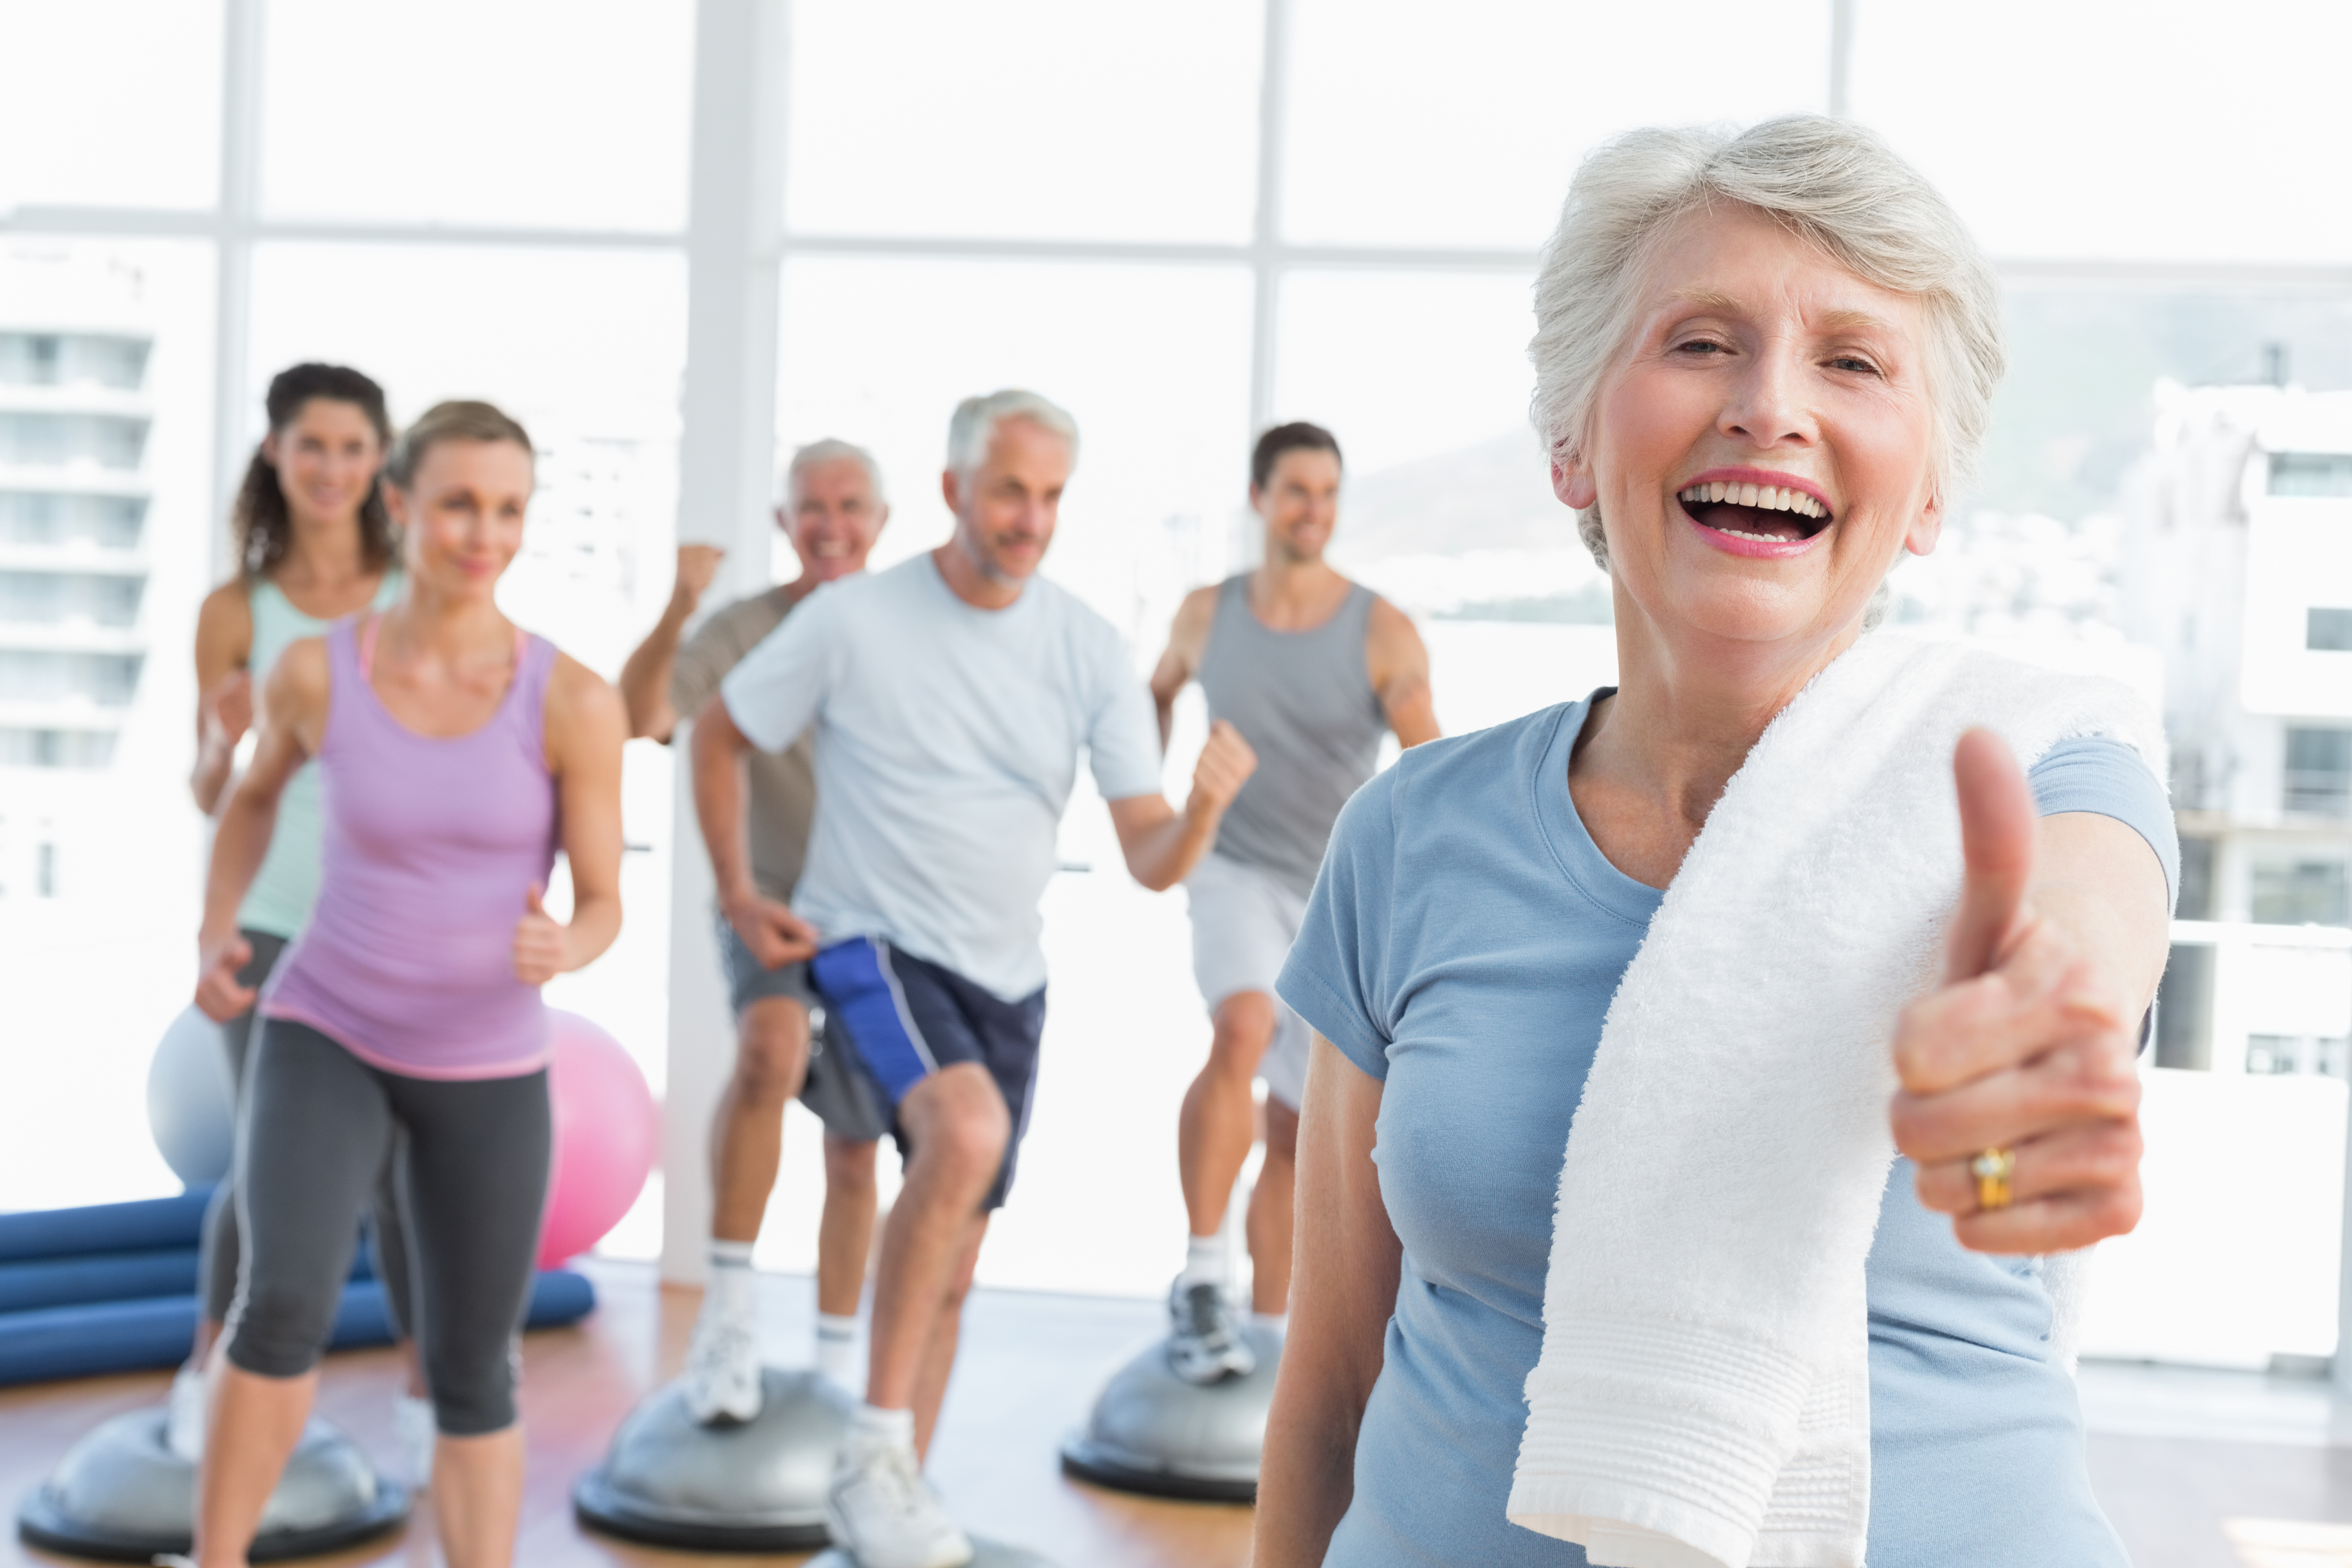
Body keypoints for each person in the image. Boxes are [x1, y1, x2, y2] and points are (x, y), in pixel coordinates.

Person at [1256, 117, 2176, 1567]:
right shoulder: (1409, 836)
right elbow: (1328, 1394)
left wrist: (2041, 1039)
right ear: (1570, 440)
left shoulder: (2042, 767)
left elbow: (2084, 926)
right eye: (1700, 341)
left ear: (1932, 487)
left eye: (1854, 362)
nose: (1771, 406)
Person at [697, 389, 1257, 1568]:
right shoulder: (855, 622)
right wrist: (744, 895)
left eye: (1050, 496)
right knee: (962, 1129)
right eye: (1010, 491)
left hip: (1009, 978)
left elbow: (1150, 859)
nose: (1030, 517)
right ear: (954, 490)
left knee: (954, 1267)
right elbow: (720, 732)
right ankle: (870, 1454)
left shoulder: (1088, 648)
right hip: (870, 946)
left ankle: (891, 1509)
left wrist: (1201, 812)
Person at [190, 401, 626, 1568]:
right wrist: (216, 933)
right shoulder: (317, 673)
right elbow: (250, 800)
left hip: (487, 1065)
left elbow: (602, 901)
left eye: (507, 510)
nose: (483, 533)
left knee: (474, 1362)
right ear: (403, 506)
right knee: (282, 1306)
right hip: (326, 1029)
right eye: (457, 505)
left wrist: (569, 949)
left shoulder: (572, 699)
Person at [1146, 421, 1437, 1383]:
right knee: (1238, 1025)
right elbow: (1150, 695)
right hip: (1231, 866)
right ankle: (1198, 1280)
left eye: (1328, 493)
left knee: (1292, 1126)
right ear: (1260, 500)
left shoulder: (1381, 627)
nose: (1314, 510)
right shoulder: (1203, 612)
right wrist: (1156, 789)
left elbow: (1430, 772)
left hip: (1329, 889)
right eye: (1296, 491)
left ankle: (1266, 1336)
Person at [178, 363, 428, 1476]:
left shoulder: (416, 591)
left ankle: (433, 1393)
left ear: (383, 465)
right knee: (263, 1159)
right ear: (275, 454)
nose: (331, 468)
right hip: (273, 921)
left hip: (398, 923)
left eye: (354, 447)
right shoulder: (235, 611)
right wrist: (219, 743)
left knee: (405, 1170)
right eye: (310, 445)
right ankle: (204, 1371)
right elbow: (208, 790)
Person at [616, 439, 893, 1421]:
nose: (831, 524)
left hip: (880, 915)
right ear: (784, 522)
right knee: (771, 1051)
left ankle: (833, 1354)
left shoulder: (911, 629)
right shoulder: (741, 631)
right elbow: (641, 715)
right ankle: (726, 1317)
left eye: (851, 506)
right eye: (811, 507)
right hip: (768, 894)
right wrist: (680, 602)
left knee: (858, 1144)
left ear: (883, 522)